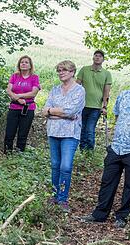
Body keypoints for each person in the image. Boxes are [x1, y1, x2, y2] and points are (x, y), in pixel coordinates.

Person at [81, 67, 130, 228]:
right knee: (107, 181)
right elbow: (117, 116)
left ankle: (122, 216)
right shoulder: (123, 96)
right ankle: (100, 214)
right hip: (116, 147)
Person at [43, 60, 86, 211]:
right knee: (55, 165)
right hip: (53, 131)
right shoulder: (55, 90)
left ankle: (63, 199)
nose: (61, 72)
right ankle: (54, 195)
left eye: (64, 70)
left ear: (72, 72)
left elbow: (72, 111)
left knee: (65, 166)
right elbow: (44, 109)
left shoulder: (79, 90)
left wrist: (53, 112)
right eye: (59, 70)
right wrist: (55, 113)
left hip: (70, 134)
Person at [76, 50, 112, 151]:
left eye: (100, 56)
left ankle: (90, 151)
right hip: (82, 105)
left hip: (96, 107)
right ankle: (82, 150)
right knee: (82, 129)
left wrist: (104, 106)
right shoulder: (84, 70)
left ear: (103, 59)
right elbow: (76, 86)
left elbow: (106, 92)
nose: (97, 57)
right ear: (93, 57)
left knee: (90, 130)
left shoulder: (106, 74)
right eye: (96, 56)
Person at [3, 55, 40, 152]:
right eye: (22, 62)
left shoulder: (34, 77)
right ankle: (7, 153)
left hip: (28, 108)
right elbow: (8, 90)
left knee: (23, 133)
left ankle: (20, 154)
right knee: (9, 132)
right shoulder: (14, 76)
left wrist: (18, 96)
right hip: (14, 107)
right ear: (19, 64)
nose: (23, 64)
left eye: (26, 62)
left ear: (30, 65)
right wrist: (18, 99)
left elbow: (33, 93)